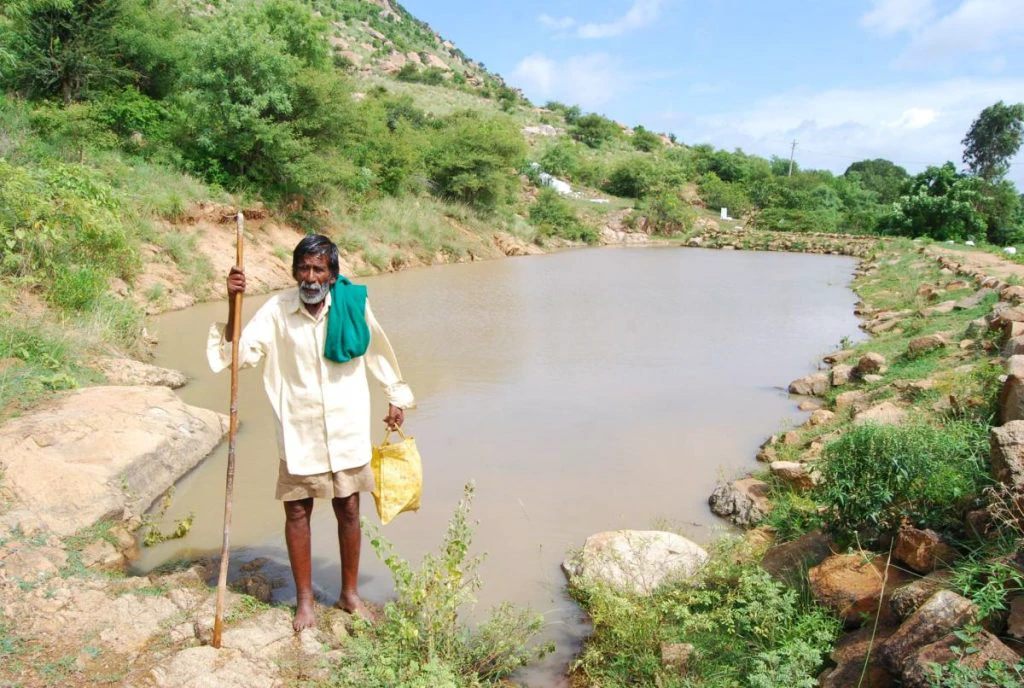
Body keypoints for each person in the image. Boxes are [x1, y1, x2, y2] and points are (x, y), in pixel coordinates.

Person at [207, 234, 414, 631]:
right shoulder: (277, 310)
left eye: (319, 269)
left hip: (346, 425)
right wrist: (233, 305)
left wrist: (396, 395)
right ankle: (305, 601)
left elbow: (378, 350)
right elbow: (240, 354)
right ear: (294, 272)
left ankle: (349, 594)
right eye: (303, 268)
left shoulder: (353, 304)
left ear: (333, 275)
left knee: (349, 508)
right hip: (298, 429)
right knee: (297, 510)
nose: (311, 277)